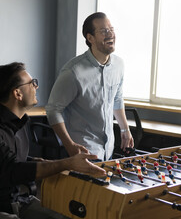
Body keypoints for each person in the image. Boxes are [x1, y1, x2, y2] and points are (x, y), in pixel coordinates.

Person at [0, 62, 106, 219]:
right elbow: (11, 169)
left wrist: (38, 161)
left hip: (17, 201)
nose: (36, 86)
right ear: (18, 94)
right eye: (32, 83)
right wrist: (68, 163)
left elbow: (5, 158)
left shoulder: (20, 122)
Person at [46, 12, 134, 161]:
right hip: (83, 149)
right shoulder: (73, 71)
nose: (110, 34)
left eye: (111, 29)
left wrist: (125, 129)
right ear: (90, 38)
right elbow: (53, 110)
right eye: (103, 31)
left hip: (108, 148)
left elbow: (117, 99)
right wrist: (69, 145)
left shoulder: (119, 65)